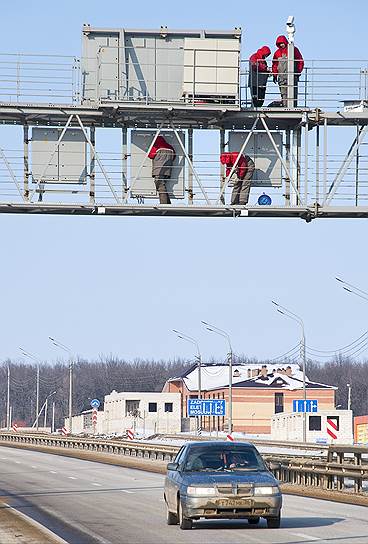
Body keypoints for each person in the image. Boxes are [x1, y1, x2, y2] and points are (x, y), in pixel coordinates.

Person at [272, 35, 304, 107]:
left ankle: (293, 108)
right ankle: (285, 107)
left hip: (292, 77)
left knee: (293, 94)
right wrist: (274, 75)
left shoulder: (294, 50)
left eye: (282, 43)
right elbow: (275, 64)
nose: (281, 45)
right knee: (284, 94)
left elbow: (300, 61)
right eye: (279, 43)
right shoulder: (277, 53)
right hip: (282, 78)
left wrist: (298, 72)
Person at [148, 135, 176, 204]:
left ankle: (164, 205)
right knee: (163, 187)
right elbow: (174, 156)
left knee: (160, 187)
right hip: (168, 171)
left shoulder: (156, 146)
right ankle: (168, 204)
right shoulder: (170, 147)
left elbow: (150, 155)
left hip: (158, 170)